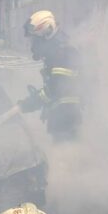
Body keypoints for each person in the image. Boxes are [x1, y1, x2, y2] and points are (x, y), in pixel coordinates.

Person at [18, 11, 82, 142]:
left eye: (34, 39)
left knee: (66, 155)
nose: (32, 44)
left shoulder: (61, 54)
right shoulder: (57, 53)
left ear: (47, 34)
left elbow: (56, 89)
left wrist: (29, 103)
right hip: (64, 116)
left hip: (66, 118)